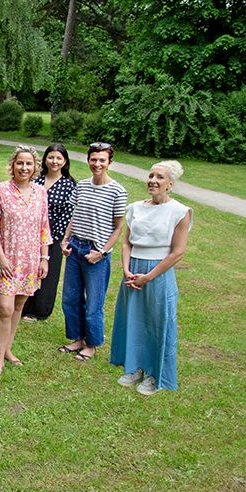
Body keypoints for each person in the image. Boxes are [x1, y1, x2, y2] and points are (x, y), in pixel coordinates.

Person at [110, 161, 192, 395]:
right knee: (133, 319)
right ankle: (135, 367)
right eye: (151, 175)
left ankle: (155, 374)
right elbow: (127, 241)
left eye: (160, 177)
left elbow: (178, 251)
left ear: (170, 184)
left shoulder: (180, 212)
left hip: (158, 273)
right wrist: (126, 269)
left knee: (157, 322)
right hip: (133, 269)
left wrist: (149, 276)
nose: (153, 181)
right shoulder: (135, 207)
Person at [0, 146, 51, 377]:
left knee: (19, 307)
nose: (24, 167)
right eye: (19, 163)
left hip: (31, 260)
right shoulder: (0, 191)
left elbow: (44, 228)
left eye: (28, 164)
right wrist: (1, 257)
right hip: (7, 258)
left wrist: (44, 258)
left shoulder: (40, 193)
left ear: (35, 167)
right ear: (12, 165)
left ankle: (7, 350)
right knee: (4, 308)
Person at [58, 142, 127, 362]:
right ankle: (77, 338)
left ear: (109, 163)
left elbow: (118, 227)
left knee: (93, 303)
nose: (97, 164)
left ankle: (92, 343)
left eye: (102, 160)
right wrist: (65, 240)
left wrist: (103, 252)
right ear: (88, 160)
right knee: (70, 298)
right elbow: (75, 216)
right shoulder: (83, 186)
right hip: (75, 247)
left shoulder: (117, 190)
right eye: (93, 159)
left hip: (96, 253)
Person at [22, 144, 76, 322]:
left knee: (47, 272)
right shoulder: (35, 179)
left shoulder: (69, 185)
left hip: (53, 232)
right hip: (29, 231)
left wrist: (54, 236)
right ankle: (22, 304)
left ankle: (39, 310)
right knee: (28, 268)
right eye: (51, 157)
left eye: (59, 158)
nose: (54, 161)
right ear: (45, 159)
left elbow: (68, 213)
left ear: (65, 161)